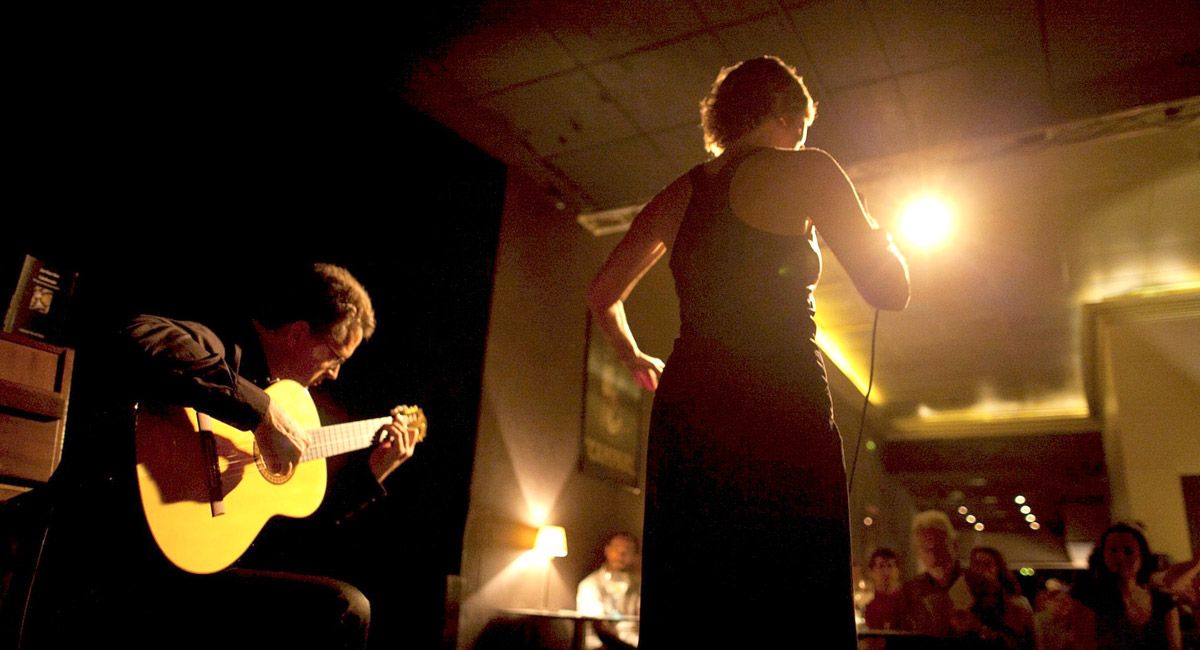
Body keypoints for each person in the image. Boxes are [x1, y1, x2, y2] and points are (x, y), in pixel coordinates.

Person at [587, 55, 910, 648]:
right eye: (802, 128)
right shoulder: (808, 168)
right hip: (778, 398)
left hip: (690, 406)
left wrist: (634, 356)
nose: (801, 140)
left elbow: (602, 293)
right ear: (787, 115)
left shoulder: (680, 193)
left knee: (699, 589)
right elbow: (890, 290)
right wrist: (884, 241)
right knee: (791, 583)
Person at [28, 263, 421, 650]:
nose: (335, 374)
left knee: (339, 605)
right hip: (115, 542)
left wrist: (374, 471)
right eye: (336, 356)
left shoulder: (297, 410)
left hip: (193, 566)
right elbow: (138, 335)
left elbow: (296, 536)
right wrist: (260, 411)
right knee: (346, 608)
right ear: (300, 333)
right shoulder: (226, 344)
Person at [1071, 523, 1183, 649]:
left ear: (1142, 557)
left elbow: (1175, 645)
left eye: (1128, 551)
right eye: (1112, 550)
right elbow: (1084, 645)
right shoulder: (1090, 599)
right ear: (1103, 556)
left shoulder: (1162, 599)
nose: (1119, 557)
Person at [899, 510, 970, 642]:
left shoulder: (976, 584)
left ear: (953, 544)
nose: (931, 549)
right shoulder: (910, 591)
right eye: (925, 545)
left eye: (937, 543)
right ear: (917, 551)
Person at [576, 532, 641, 650]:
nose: (621, 554)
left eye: (628, 550)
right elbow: (599, 626)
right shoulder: (590, 585)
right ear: (607, 550)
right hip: (600, 645)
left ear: (635, 556)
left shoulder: (637, 585)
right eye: (617, 548)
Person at [966, 546, 1037, 648]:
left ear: (998, 568)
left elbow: (1024, 641)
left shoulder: (1017, 603)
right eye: (976, 564)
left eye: (987, 564)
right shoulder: (966, 598)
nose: (981, 570)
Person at [865, 547, 904, 631]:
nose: (886, 571)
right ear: (872, 572)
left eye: (890, 566)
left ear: (898, 571)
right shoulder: (867, 603)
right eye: (881, 566)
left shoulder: (909, 600)